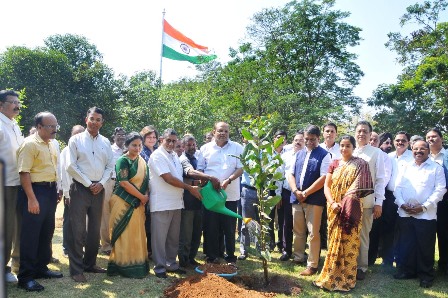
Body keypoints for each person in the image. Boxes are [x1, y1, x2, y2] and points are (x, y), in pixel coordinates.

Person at [313, 135, 373, 291]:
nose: (344, 149)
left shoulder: (361, 164)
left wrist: (344, 204)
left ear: (353, 147)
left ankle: (347, 278)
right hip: (334, 208)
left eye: (348, 146)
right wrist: (332, 203)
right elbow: (327, 186)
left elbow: (358, 188)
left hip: (351, 209)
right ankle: (331, 274)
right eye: (342, 145)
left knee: (350, 243)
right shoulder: (334, 163)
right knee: (333, 242)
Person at [66, 107, 114, 282]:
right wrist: (89, 183)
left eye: (98, 119)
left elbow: (110, 166)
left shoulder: (106, 142)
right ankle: (76, 269)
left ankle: (90, 264)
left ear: (102, 122)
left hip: (99, 190)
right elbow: (71, 166)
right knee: (77, 230)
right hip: (80, 188)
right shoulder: (75, 140)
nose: (95, 122)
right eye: (92, 118)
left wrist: (100, 183)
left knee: (94, 230)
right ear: (86, 119)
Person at [16, 112, 63, 292]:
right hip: (35, 191)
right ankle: (26, 277)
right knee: (30, 235)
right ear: (39, 127)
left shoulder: (51, 144)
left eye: (55, 125)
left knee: (46, 231)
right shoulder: (29, 144)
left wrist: (57, 190)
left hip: (49, 191)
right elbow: (24, 173)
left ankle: (41, 268)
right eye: (50, 126)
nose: (54, 130)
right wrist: (31, 198)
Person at [149, 128, 202, 278]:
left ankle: (171, 264)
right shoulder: (157, 156)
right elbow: (168, 178)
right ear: (161, 140)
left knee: (173, 238)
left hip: (176, 203)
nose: (171, 144)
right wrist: (189, 188)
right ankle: (159, 267)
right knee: (160, 238)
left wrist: (194, 184)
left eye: (174, 141)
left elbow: (179, 176)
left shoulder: (174, 156)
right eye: (168, 140)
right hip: (162, 203)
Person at [393, 140, 446, 288]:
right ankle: (407, 271)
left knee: (425, 246)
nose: (419, 151)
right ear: (412, 150)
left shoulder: (436, 168)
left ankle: (426, 275)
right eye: (416, 149)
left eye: (422, 148)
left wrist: (423, 207)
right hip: (405, 212)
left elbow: (440, 190)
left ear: (428, 150)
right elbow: (397, 188)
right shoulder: (405, 167)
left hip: (426, 214)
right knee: (407, 244)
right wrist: (402, 203)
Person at [287, 125, 331, 276]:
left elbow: (324, 177)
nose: (309, 142)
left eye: (312, 139)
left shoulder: (325, 155)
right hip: (297, 197)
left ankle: (312, 265)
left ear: (318, 138)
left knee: (313, 232)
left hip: (314, 199)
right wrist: (295, 191)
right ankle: (298, 257)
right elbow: (290, 173)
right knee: (298, 230)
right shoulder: (298, 154)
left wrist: (306, 192)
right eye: (307, 139)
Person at [198, 122, 244, 264]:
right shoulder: (205, 148)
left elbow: (241, 168)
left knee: (229, 228)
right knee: (211, 226)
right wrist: (208, 183)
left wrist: (228, 180)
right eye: (220, 130)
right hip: (211, 196)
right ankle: (212, 256)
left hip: (230, 195)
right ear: (214, 132)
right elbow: (200, 170)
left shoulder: (237, 147)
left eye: (226, 131)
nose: (223, 133)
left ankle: (230, 256)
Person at [107, 132, 149, 278]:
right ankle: (122, 265)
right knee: (123, 233)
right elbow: (124, 183)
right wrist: (142, 197)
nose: (137, 148)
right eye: (134, 145)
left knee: (136, 233)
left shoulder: (142, 161)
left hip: (138, 203)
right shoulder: (122, 161)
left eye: (139, 145)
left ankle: (137, 264)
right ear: (127, 145)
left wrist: (144, 197)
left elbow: (145, 181)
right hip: (122, 201)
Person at [178, 135, 220, 267]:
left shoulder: (198, 158)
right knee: (186, 234)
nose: (191, 147)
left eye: (193, 145)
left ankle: (192, 258)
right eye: (188, 145)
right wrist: (209, 178)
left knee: (197, 233)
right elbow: (190, 173)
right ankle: (184, 260)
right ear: (183, 146)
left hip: (200, 201)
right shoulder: (183, 159)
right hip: (188, 202)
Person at [352, 121, 386, 280]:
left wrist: (379, 202)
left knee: (363, 235)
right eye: (359, 131)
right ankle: (349, 263)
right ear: (355, 133)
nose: (361, 134)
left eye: (365, 131)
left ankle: (361, 267)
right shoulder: (349, 150)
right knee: (349, 233)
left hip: (366, 202)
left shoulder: (375, 153)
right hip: (348, 202)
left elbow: (380, 179)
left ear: (370, 134)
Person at [0, 90, 24, 283]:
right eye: (13, 102)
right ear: (1, 105)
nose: (17, 105)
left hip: (18, 183)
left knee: (17, 227)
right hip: (4, 185)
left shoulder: (14, 125)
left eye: (18, 102)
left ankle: (14, 265)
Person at [383, 131, 413, 267]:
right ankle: (387, 259)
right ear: (394, 142)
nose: (400, 143)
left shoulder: (412, 157)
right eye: (398, 140)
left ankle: (401, 259)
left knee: (403, 229)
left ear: (408, 142)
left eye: (403, 140)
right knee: (388, 229)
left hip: (405, 198)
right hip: (389, 197)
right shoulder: (388, 157)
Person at [279, 131, 305, 261]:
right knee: (286, 222)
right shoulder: (285, 156)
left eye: (301, 140)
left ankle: (301, 252)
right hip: (287, 192)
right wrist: (278, 194)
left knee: (301, 224)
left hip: (303, 194)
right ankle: (286, 250)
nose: (298, 142)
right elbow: (279, 176)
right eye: (296, 140)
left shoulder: (307, 155)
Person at [100, 127, 126, 256]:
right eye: (118, 135)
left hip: (124, 185)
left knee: (119, 214)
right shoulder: (108, 149)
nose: (121, 137)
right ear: (114, 137)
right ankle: (106, 245)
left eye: (123, 135)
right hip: (109, 182)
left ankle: (118, 243)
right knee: (105, 215)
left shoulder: (127, 151)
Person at [368, 132, 393, 266]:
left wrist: (375, 195)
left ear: (379, 142)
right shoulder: (360, 153)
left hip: (377, 196)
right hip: (359, 197)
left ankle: (370, 258)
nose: (372, 141)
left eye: (375, 140)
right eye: (370, 139)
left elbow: (384, 179)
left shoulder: (384, 157)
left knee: (374, 229)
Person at [60, 125, 85, 256]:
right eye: (76, 134)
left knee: (80, 221)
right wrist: (66, 193)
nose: (78, 136)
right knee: (69, 220)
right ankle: (66, 247)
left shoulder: (85, 150)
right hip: (70, 191)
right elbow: (64, 173)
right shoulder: (66, 151)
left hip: (84, 192)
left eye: (81, 133)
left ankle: (79, 246)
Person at [426, 128, 448, 274]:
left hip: (445, 202)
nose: (431, 139)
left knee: (445, 233)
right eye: (428, 137)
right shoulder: (422, 156)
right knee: (426, 233)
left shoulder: (446, 155)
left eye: (434, 136)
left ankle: (445, 265)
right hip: (426, 202)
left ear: (441, 138)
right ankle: (426, 264)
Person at [319, 122, 340, 250]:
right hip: (318, 187)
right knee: (319, 219)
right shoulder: (318, 148)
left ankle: (331, 246)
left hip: (334, 189)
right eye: (327, 131)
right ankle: (320, 246)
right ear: (323, 133)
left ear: (336, 134)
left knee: (331, 218)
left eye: (332, 131)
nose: (329, 133)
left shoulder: (340, 149)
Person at [139, 125, 159, 259]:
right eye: (149, 137)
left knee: (155, 221)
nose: (152, 140)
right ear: (143, 138)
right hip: (145, 190)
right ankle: (146, 250)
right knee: (146, 221)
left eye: (154, 137)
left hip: (158, 191)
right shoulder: (141, 152)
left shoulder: (159, 151)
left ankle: (153, 249)